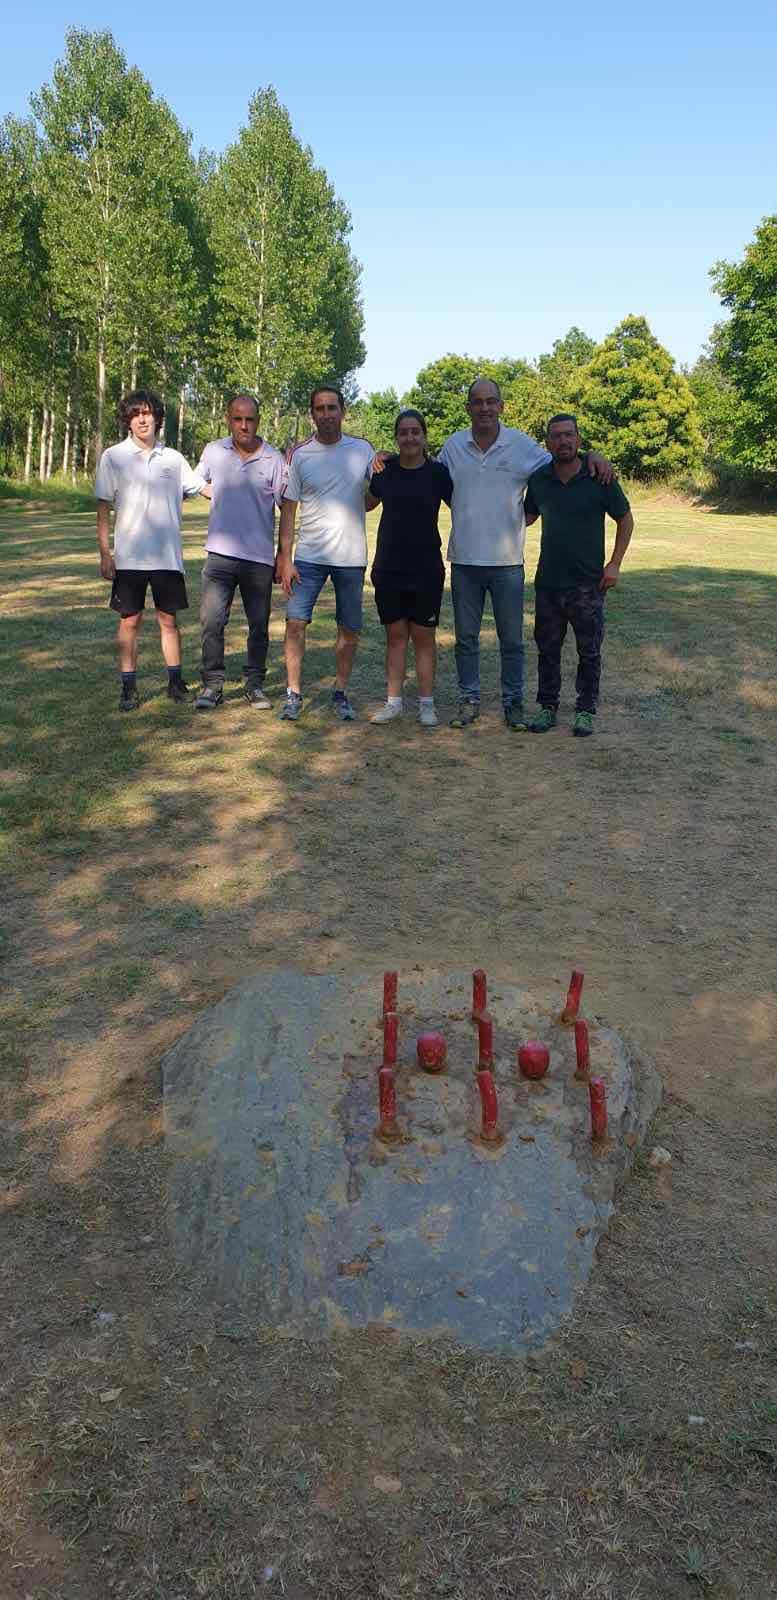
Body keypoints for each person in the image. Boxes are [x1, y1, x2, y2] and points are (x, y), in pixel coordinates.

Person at [437, 378, 612, 731]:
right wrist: (386, 457)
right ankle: (469, 699)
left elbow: (564, 458)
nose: (484, 408)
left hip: (507, 563)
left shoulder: (520, 445)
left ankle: (513, 703)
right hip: (465, 561)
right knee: (466, 640)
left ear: (501, 406)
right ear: (468, 407)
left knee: (513, 642)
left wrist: (593, 455)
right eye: (477, 402)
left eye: (491, 401)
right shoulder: (453, 446)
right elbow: (431, 477)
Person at [523, 414, 633, 736]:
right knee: (547, 651)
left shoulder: (599, 476)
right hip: (548, 584)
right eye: (556, 436)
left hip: (588, 585)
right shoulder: (539, 480)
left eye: (568, 435)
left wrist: (614, 564)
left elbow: (625, 519)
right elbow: (526, 518)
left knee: (589, 652)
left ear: (579, 440)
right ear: (548, 443)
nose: (563, 441)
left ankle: (585, 710)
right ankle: (547, 707)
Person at [95, 389, 205, 711]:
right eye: (135, 414)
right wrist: (105, 553)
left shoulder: (174, 459)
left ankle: (175, 684)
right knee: (129, 622)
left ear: (157, 418)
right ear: (127, 421)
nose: (142, 420)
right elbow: (103, 507)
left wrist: (245, 490)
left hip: (167, 557)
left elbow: (203, 487)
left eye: (147, 413)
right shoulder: (113, 457)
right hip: (129, 558)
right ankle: (128, 688)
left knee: (169, 621)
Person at [276, 386, 375, 721]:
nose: (327, 414)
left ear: (343, 411)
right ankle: (293, 694)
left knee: (349, 629)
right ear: (312, 414)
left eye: (333, 407)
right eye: (320, 408)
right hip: (308, 557)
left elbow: (374, 496)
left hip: (351, 557)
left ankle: (340, 692)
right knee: (295, 623)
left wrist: (387, 462)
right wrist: (285, 558)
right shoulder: (299, 454)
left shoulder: (362, 450)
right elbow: (289, 510)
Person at [193, 395, 287, 711]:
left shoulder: (274, 459)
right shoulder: (213, 451)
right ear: (228, 419)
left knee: (258, 625)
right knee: (211, 622)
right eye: (237, 419)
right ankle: (212, 685)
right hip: (219, 556)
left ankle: (255, 685)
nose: (243, 426)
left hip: (258, 559)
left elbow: (286, 507)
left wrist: (283, 554)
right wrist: (216, 492)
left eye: (249, 419)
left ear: (258, 421)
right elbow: (195, 481)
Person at [366, 409, 453, 728]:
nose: (410, 437)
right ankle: (393, 703)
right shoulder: (385, 471)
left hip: (426, 569)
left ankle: (427, 705)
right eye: (403, 432)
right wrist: (372, 462)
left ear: (424, 435)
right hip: (389, 567)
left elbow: (463, 505)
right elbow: (365, 503)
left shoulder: (439, 474)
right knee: (395, 637)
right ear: (396, 437)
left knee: (424, 638)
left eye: (415, 431)